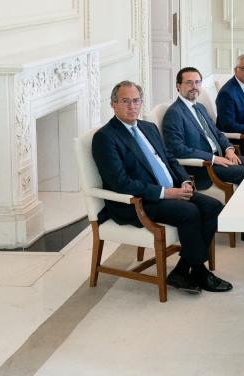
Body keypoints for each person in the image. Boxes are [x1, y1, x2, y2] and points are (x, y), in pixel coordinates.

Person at [90, 80, 232, 294]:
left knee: (213, 207)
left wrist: (184, 181)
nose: (132, 106)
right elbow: (121, 183)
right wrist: (165, 193)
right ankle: (198, 271)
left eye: (136, 101)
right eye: (125, 101)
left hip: (172, 189)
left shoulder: (148, 127)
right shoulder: (105, 137)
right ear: (113, 104)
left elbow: (170, 158)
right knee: (190, 212)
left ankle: (182, 270)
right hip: (138, 201)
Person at [163, 67, 244, 246]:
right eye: (189, 83)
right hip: (203, 167)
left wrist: (229, 149)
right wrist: (214, 158)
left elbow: (218, 133)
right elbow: (177, 149)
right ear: (178, 86)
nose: (194, 86)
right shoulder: (174, 113)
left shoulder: (199, 107)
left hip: (221, 157)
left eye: (197, 82)